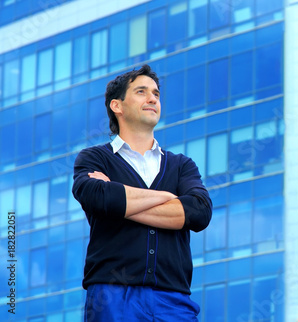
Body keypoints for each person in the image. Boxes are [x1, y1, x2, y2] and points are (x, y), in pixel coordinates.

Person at [72, 64, 212, 321]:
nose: (152, 99)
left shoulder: (182, 165)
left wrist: (120, 201)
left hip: (173, 298)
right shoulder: (94, 158)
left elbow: (199, 213)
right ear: (117, 106)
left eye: (156, 94)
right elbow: (97, 196)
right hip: (112, 296)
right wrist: (169, 198)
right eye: (141, 92)